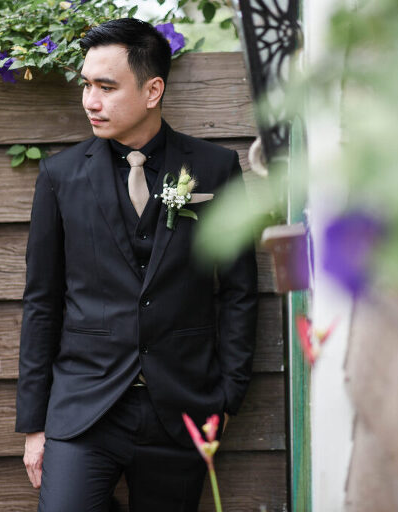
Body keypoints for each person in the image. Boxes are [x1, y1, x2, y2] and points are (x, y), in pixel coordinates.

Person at [14, 18, 258, 512]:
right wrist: (35, 425)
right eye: (87, 85)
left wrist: (227, 397)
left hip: (183, 408)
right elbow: (42, 301)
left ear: (153, 91)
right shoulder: (60, 175)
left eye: (106, 87)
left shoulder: (214, 169)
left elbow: (239, 290)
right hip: (84, 411)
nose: (90, 101)